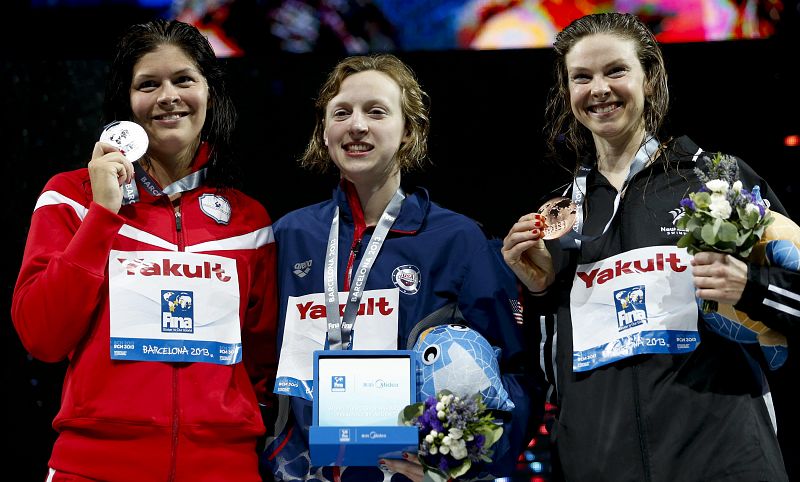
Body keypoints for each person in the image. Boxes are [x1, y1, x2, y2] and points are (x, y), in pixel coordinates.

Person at [502, 12, 795, 481]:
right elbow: (548, 368)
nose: (599, 89)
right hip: (601, 468)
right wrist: (538, 292)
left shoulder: (716, 179)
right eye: (582, 77)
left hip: (724, 462)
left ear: (650, 78)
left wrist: (752, 286)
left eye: (616, 70)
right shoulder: (558, 219)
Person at [11, 19, 278, 482]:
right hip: (93, 469)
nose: (168, 96)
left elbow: (263, 362)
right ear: (127, 102)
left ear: (210, 93)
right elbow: (42, 336)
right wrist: (102, 214)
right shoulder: (70, 197)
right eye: (148, 84)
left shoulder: (248, 220)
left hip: (222, 469)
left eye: (184, 80)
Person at [261, 53, 540, 482]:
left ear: (409, 130)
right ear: (324, 131)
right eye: (342, 112)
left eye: (376, 112)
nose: (357, 125)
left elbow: (516, 376)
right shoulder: (290, 235)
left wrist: (459, 465)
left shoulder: (457, 240)